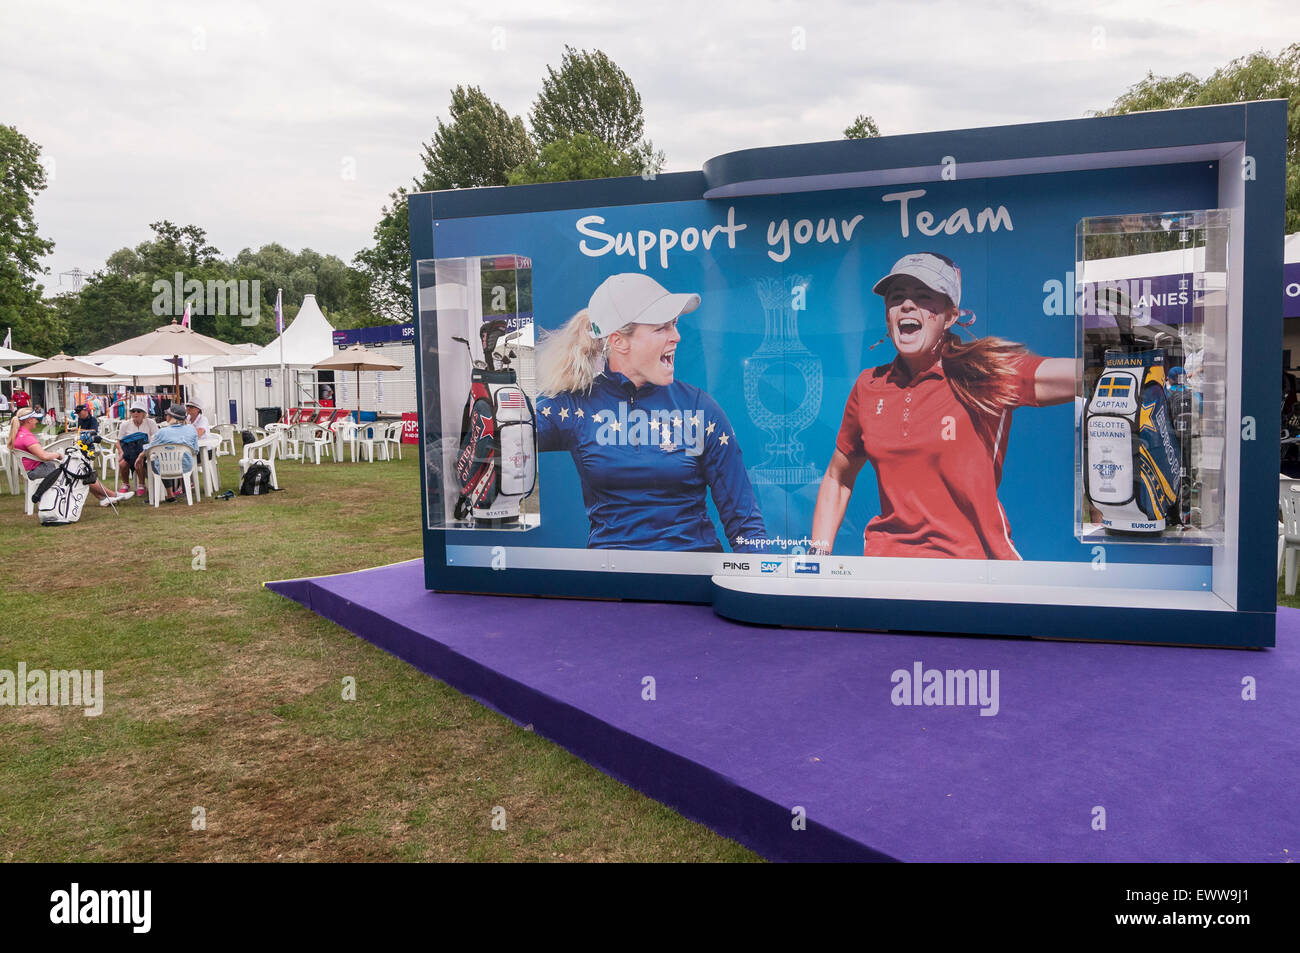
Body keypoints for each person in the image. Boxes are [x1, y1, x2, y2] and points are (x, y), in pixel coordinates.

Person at [811, 252, 1074, 560]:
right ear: (887, 315)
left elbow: (1071, 375)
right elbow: (837, 477)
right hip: (887, 572)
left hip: (973, 573)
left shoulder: (981, 374)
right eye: (897, 298)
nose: (907, 305)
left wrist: (1125, 363)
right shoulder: (869, 386)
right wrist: (818, 558)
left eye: (923, 297)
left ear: (950, 316)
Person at [534, 273, 767, 552]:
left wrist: (759, 583)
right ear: (619, 341)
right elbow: (505, 442)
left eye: (675, 325)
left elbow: (744, 524)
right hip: (612, 582)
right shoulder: (575, 406)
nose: (677, 337)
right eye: (661, 329)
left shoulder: (698, 408)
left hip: (693, 580)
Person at [8, 407, 118, 507]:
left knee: (78, 471)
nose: (37, 421)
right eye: (35, 419)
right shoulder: (27, 436)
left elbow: (39, 454)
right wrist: (58, 455)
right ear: (29, 420)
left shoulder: (19, 434)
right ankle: (111, 495)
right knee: (79, 472)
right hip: (38, 470)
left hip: (34, 469)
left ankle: (103, 497)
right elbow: (44, 456)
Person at [144, 404, 199, 502]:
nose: (166, 416)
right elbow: (195, 450)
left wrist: (140, 456)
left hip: (164, 469)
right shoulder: (191, 429)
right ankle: (171, 494)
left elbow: (149, 449)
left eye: (167, 414)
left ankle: (159, 495)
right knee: (163, 458)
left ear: (171, 417)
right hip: (186, 467)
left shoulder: (162, 432)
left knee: (153, 460)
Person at [116, 400, 158, 498]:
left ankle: (141, 485)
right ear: (130, 413)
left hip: (146, 450)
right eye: (133, 411)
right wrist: (121, 452)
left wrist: (145, 451)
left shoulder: (150, 423)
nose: (135, 413)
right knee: (122, 463)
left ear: (144, 414)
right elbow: (118, 441)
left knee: (139, 461)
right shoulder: (125, 424)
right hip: (129, 450)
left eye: (139, 411)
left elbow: (156, 438)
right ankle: (125, 483)